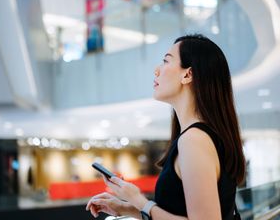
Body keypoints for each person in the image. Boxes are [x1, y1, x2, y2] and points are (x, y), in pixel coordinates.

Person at [86, 34, 246, 220]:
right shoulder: (202, 136)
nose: (156, 70)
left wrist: (140, 201)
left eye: (165, 61)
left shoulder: (194, 140)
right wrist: (128, 209)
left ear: (187, 75)